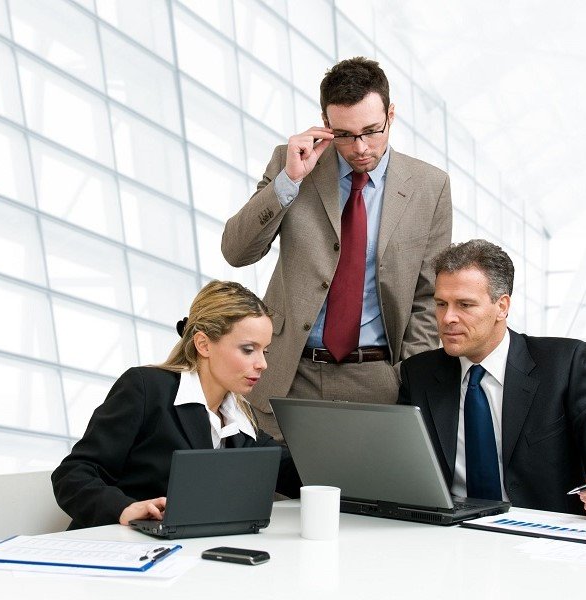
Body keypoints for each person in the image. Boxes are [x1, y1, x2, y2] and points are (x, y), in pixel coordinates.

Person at [222, 56, 452, 439]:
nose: (361, 147)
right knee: (277, 497)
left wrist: (406, 378)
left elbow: (428, 296)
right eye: (345, 134)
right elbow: (237, 251)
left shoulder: (430, 186)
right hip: (288, 374)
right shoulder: (291, 163)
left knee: (371, 498)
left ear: (391, 115)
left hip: (378, 381)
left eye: (372, 131)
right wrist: (288, 183)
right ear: (326, 125)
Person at [398, 239, 586, 521]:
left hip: (543, 533)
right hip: (450, 536)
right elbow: (403, 467)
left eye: (465, 305)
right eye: (441, 304)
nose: (448, 318)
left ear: (502, 306)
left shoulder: (564, 363)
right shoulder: (418, 373)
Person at [52, 281, 301, 529]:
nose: (262, 364)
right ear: (203, 344)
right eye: (248, 350)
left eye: (264, 352)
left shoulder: (239, 417)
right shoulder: (147, 388)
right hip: (119, 546)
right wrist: (124, 508)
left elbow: (291, 472)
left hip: (186, 553)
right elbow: (73, 474)